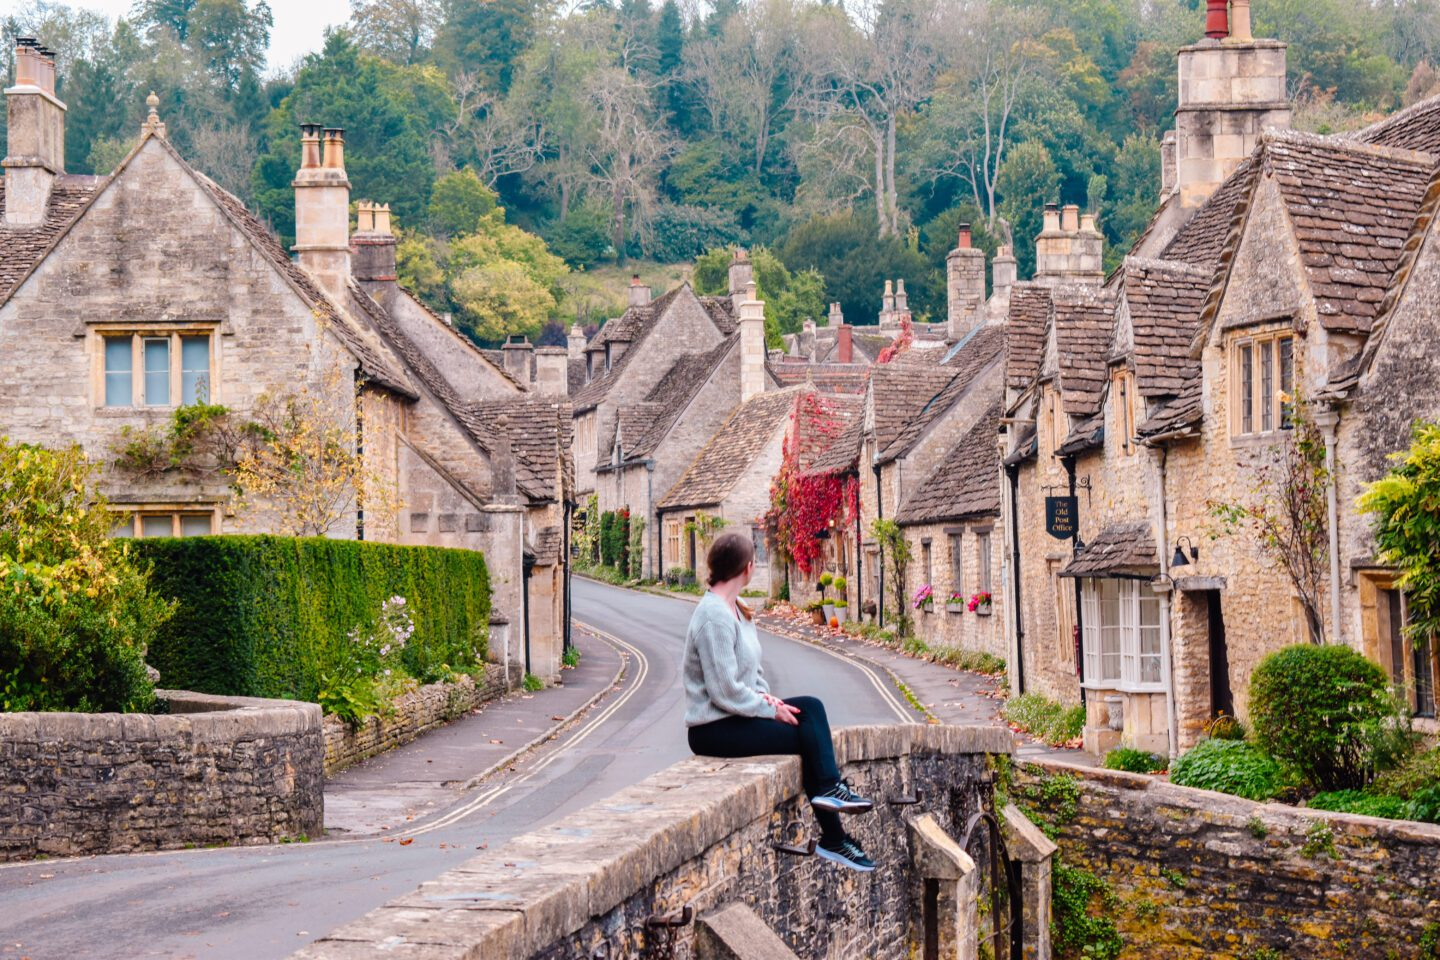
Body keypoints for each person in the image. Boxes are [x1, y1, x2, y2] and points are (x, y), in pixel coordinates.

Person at [683, 530, 876, 872]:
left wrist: (769, 698)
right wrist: (770, 709)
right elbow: (724, 690)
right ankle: (834, 833)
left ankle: (832, 799)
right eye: (753, 561)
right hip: (713, 728)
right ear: (746, 568)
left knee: (811, 708)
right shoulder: (712, 616)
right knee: (806, 738)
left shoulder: (738, 609)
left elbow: (752, 674)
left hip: (737, 716)